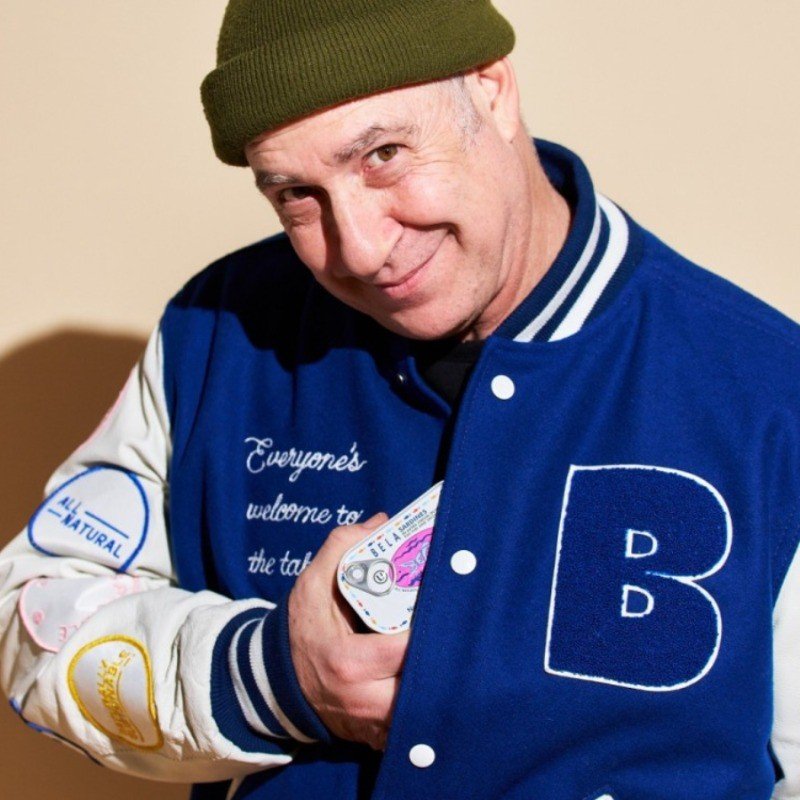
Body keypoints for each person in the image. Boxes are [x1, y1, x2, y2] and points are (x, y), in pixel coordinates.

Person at [2, 1, 800, 798]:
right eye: (294, 197)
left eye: (383, 155)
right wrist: (274, 676)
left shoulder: (767, 384)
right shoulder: (215, 334)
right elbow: (30, 623)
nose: (358, 246)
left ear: (492, 90)